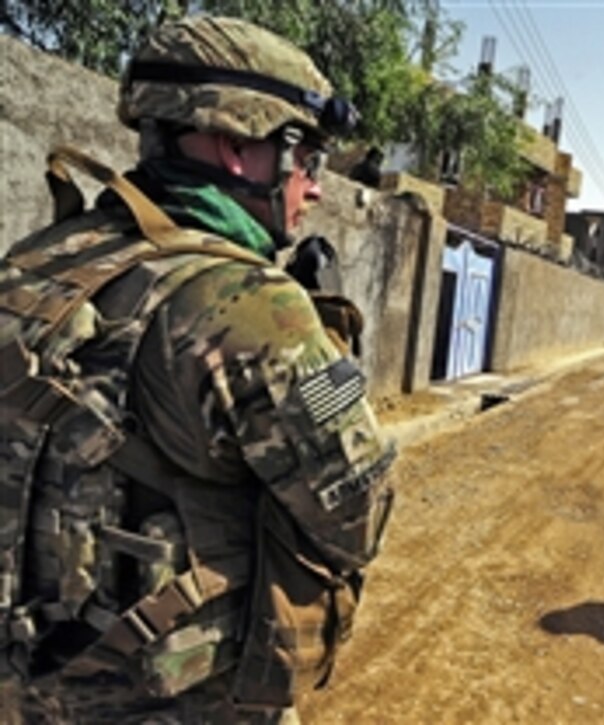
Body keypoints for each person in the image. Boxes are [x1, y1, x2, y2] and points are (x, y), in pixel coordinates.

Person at [0, 16, 394, 721]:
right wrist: (322, 340)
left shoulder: (44, 257)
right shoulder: (248, 304)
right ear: (239, 144)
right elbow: (354, 513)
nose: (317, 189)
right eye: (309, 160)